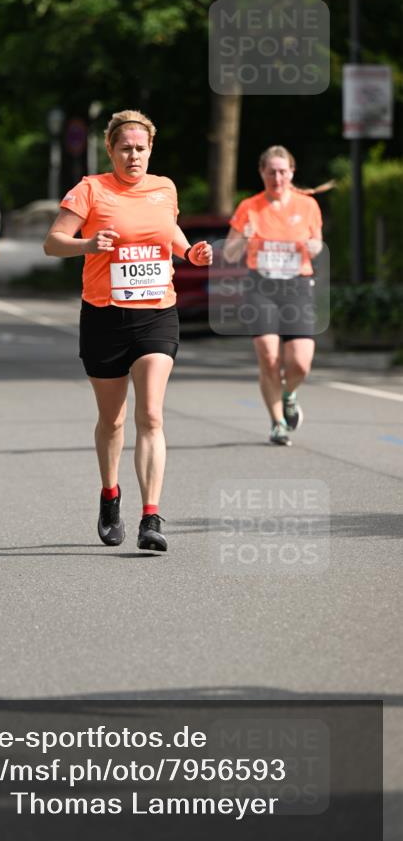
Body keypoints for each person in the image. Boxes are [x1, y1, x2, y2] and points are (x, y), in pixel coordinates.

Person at [44, 109, 212, 553]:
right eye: (125, 148)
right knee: (113, 420)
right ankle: (110, 494)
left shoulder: (165, 187)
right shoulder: (90, 189)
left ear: (150, 149)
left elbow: (168, 230)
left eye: (140, 148)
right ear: (111, 150)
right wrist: (86, 243)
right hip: (104, 315)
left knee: (151, 415)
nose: (133, 155)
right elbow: (53, 241)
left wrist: (188, 252)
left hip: (157, 311)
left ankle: (151, 516)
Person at [222, 145, 323, 446]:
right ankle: (278, 422)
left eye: (282, 171)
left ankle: (289, 394)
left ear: (291, 173)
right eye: (271, 172)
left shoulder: (307, 206)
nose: (277, 177)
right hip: (261, 287)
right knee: (269, 357)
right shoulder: (249, 207)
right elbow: (228, 253)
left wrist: (313, 246)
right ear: (262, 173)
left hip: (297, 286)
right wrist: (245, 238)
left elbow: (317, 244)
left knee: (300, 363)